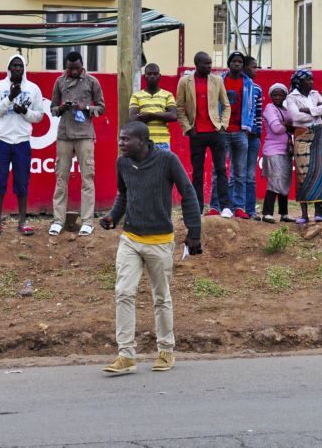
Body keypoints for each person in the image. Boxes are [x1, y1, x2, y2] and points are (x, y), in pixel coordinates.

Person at [99, 122, 201, 375]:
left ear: (143, 141)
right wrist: (113, 216)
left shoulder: (167, 160)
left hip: (160, 241)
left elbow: (187, 192)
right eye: (120, 139)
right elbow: (123, 194)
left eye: (126, 139)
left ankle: (166, 350)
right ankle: (126, 355)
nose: (121, 143)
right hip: (131, 238)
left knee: (161, 298)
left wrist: (194, 232)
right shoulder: (122, 163)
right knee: (123, 292)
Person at [49, 50, 105, 236]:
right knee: (61, 178)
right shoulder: (59, 82)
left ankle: (87, 221)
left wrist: (86, 108)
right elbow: (52, 109)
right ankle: (58, 220)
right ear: (66, 67)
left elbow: (101, 108)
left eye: (76, 68)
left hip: (85, 135)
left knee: (87, 178)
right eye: (70, 68)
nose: (73, 71)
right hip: (64, 134)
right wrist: (62, 108)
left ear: (82, 66)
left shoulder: (92, 82)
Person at [0, 54, 43, 236]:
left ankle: (22, 221)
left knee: (22, 182)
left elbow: (39, 116)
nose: (18, 68)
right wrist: (9, 98)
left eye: (20, 66)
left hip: (22, 141)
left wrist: (25, 111)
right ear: (9, 68)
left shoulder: (33, 89)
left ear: (24, 69)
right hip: (2, 139)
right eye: (14, 65)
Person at [176, 51, 232, 217]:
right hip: (196, 133)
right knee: (197, 173)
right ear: (196, 64)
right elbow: (179, 108)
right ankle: (198, 207)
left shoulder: (217, 80)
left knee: (221, 169)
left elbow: (226, 105)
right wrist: (188, 128)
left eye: (210, 63)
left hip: (215, 132)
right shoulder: (185, 82)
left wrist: (223, 126)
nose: (209, 66)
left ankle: (225, 207)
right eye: (205, 64)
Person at [210, 52, 257, 219]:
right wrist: (217, 126)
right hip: (222, 131)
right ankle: (215, 206)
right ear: (229, 64)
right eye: (234, 61)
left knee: (240, 173)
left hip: (240, 132)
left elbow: (251, 107)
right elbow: (213, 104)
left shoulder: (248, 83)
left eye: (240, 62)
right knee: (218, 170)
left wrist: (247, 128)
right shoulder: (219, 81)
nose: (237, 64)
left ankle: (238, 207)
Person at [286, 69, 322, 223]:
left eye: (312, 79)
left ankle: (319, 213)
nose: (311, 82)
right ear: (299, 82)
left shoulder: (315, 94)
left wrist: (310, 110)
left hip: (318, 135)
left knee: (320, 172)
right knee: (302, 173)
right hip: (302, 136)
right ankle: (304, 214)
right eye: (308, 80)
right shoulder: (291, 97)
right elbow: (295, 116)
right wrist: (316, 113)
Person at [261, 83, 294, 223]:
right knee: (275, 180)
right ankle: (267, 213)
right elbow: (276, 128)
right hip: (273, 150)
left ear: (285, 96)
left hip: (285, 151)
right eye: (274, 94)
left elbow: (292, 124)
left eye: (280, 94)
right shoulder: (270, 108)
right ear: (270, 96)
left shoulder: (286, 110)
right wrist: (288, 125)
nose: (277, 97)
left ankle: (284, 214)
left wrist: (287, 125)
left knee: (284, 181)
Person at [128, 63, 177, 151]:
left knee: (163, 165)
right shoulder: (136, 96)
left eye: (155, 74)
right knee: (143, 165)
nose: (152, 76)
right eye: (149, 74)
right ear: (144, 76)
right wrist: (163, 115)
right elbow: (133, 118)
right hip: (143, 142)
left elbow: (173, 116)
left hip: (163, 142)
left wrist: (150, 115)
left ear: (160, 76)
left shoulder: (168, 95)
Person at [242, 56, 264, 219]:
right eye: (253, 67)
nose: (256, 70)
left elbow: (258, 114)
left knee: (250, 174)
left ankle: (250, 210)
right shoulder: (237, 86)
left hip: (253, 137)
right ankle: (236, 207)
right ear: (244, 67)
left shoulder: (257, 89)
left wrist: (256, 133)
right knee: (237, 173)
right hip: (238, 135)